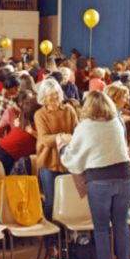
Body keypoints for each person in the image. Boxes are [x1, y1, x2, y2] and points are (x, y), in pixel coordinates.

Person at [60, 91, 130, 259]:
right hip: (125, 177)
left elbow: (72, 156)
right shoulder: (117, 122)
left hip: (99, 180)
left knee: (101, 228)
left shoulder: (85, 126)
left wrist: (62, 146)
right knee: (121, 224)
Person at [35, 78, 78, 226]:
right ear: (43, 97)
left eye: (56, 94)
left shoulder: (69, 110)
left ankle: (67, 238)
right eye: (50, 95)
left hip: (68, 161)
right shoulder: (40, 114)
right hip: (48, 161)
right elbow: (45, 139)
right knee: (51, 201)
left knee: (68, 200)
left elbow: (77, 131)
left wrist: (72, 138)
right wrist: (62, 137)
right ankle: (51, 241)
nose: (54, 98)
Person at [0, 97, 39, 174]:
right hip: (4, 156)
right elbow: (44, 140)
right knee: (3, 184)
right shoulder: (33, 127)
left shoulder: (23, 123)